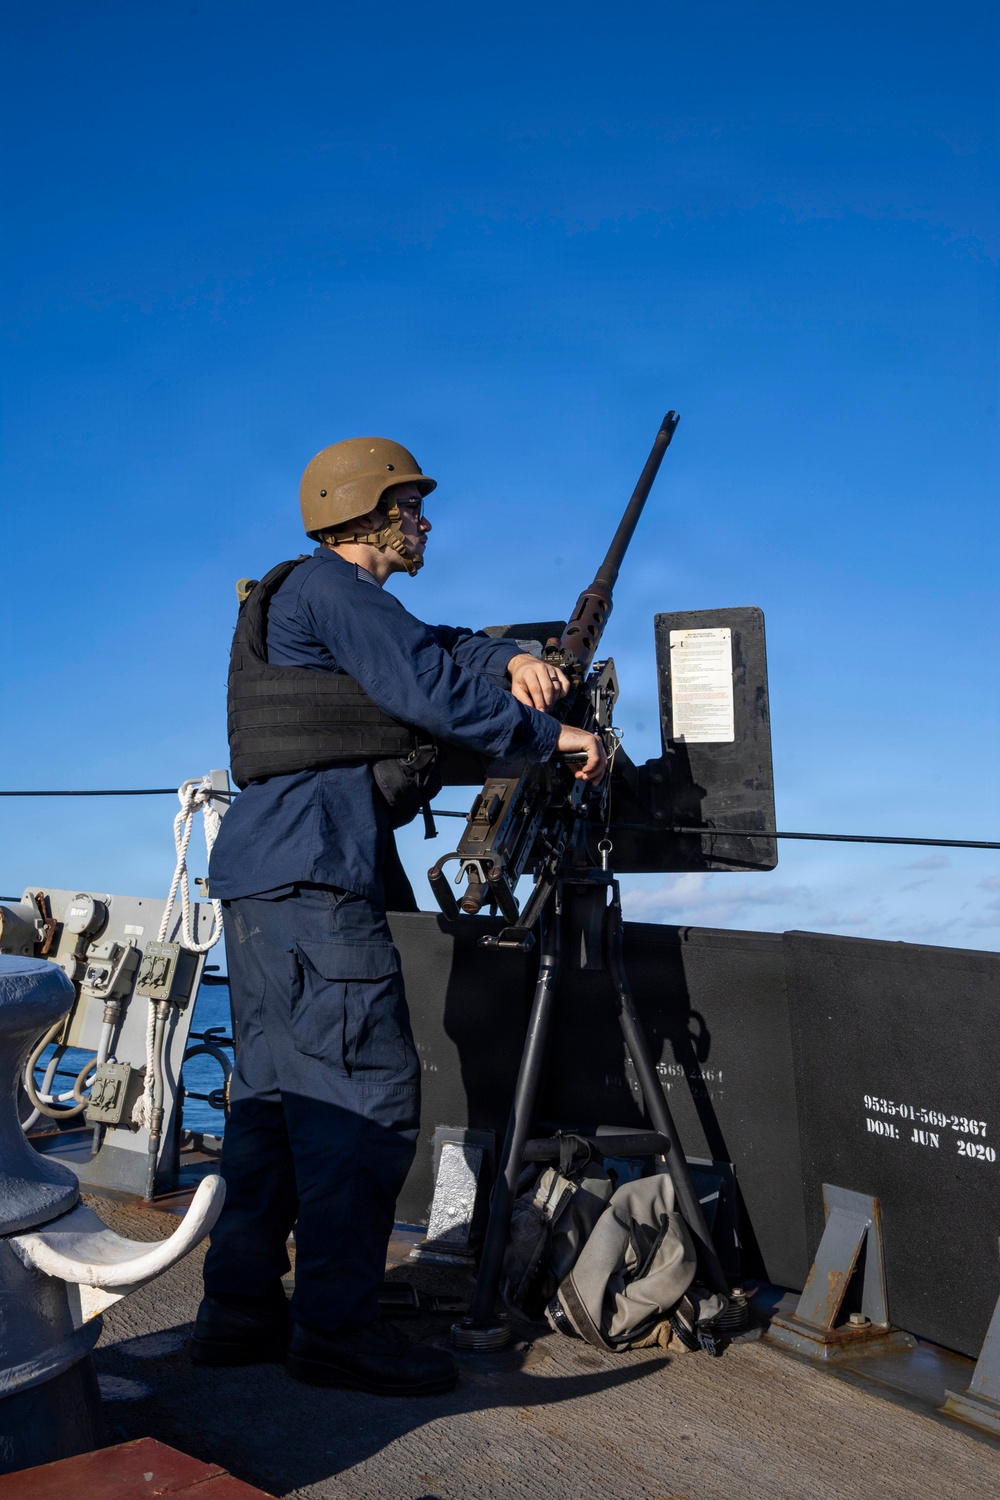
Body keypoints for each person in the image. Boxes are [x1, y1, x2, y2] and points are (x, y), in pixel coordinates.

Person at [192, 437, 606, 1395]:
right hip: (315, 877)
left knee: (272, 1103)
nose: (423, 521)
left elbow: (440, 649)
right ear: (366, 509)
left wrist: (509, 656)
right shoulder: (336, 591)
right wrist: (556, 736)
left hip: (264, 877)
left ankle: (240, 1312)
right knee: (362, 1101)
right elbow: (429, 687)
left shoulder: (313, 598)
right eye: (410, 504)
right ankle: (336, 1330)